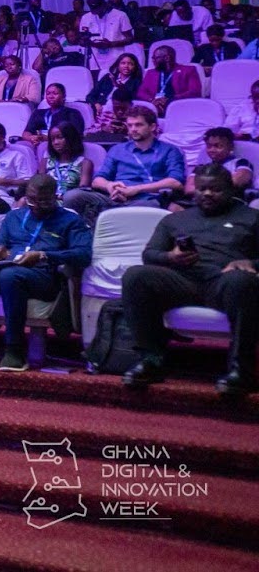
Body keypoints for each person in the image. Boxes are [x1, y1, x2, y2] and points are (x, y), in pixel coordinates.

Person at [120, 164, 257, 399]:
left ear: (230, 189)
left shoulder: (251, 217)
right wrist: (170, 257)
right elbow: (149, 254)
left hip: (225, 282)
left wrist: (251, 263)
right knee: (136, 276)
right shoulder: (176, 219)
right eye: (202, 189)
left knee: (241, 281)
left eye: (215, 189)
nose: (207, 194)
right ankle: (151, 360)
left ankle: (240, 370)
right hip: (183, 280)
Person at [0, 174, 91, 371]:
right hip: (8, 268)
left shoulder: (71, 221)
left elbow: (84, 254)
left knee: (10, 276)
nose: (36, 205)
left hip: (45, 276)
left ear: (55, 196)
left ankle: (15, 350)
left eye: (43, 201)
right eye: (31, 200)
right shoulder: (14, 217)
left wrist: (44, 255)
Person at [71, 107, 186, 218]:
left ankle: (109, 213)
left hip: (148, 198)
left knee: (146, 206)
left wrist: (137, 189)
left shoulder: (169, 150)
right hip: (116, 197)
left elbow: (176, 182)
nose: (133, 129)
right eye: (130, 125)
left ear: (152, 127)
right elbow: (97, 180)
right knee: (73, 196)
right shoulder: (117, 150)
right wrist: (109, 186)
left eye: (138, 125)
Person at [137, 45, 200, 114]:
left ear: (167, 58)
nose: (153, 61)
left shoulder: (188, 70)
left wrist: (170, 99)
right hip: (154, 108)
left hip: (179, 107)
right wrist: (152, 100)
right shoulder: (151, 73)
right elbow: (141, 92)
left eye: (155, 58)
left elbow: (194, 92)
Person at [20, 83, 86, 146]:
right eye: (48, 94)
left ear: (63, 96)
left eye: (55, 93)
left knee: (44, 146)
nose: (51, 96)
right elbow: (26, 132)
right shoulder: (38, 113)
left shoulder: (73, 113)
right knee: (21, 145)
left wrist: (47, 138)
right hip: (37, 143)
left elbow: (76, 135)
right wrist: (31, 138)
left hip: (61, 146)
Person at [193, 127, 253, 194]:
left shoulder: (242, 163)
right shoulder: (201, 167)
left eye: (218, 146)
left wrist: (203, 186)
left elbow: (237, 181)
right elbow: (189, 188)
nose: (212, 150)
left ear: (230, 146)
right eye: (209, 146)